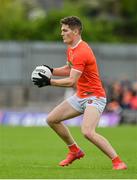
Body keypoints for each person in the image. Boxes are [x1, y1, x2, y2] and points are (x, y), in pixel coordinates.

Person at [32, 16, 127, 170]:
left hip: (95, 97)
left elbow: (71, 81)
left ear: (75, 31)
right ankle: (74, 151)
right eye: (62, 30)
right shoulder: (71, 48)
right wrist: (51, 71)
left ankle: (117, 161)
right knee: (52, 119)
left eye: (65, 30)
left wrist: (50, 81)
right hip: (81, 96)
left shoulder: (82, 51)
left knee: (88, 132)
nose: (61, 33)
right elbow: (70, 68)